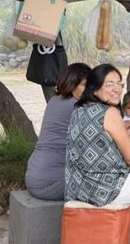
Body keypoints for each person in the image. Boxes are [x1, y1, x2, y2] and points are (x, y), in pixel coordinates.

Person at [65, 64, 130, 244]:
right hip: (102, 188)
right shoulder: (110, 112)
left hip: (77, 186)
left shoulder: (78, 110)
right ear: (95, 88)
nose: (116, 89)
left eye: (119, 84)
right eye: (109, 84)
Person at [25, 63, 91, 200]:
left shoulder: (55, 100)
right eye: (85, 85)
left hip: (33, 176)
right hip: (50, 184)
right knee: (106, 184)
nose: (90, 89)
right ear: (72, 84)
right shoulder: (76, 107)